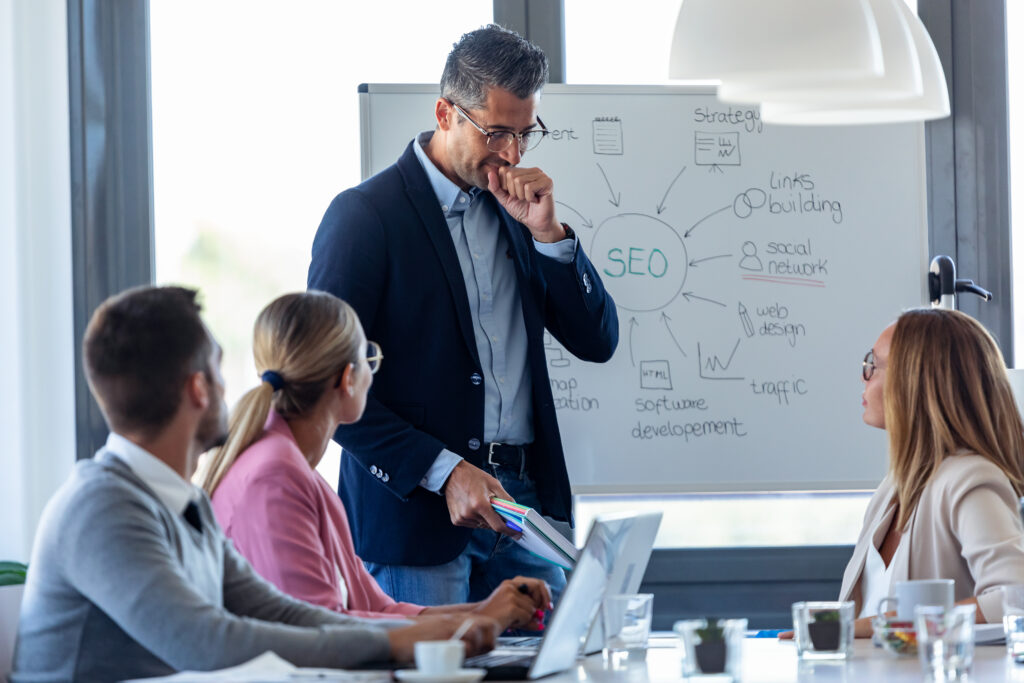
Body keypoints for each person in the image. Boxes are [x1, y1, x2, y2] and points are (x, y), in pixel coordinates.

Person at [11, 286, 497, 682]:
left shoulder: (182, 502)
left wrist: (436, 630)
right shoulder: (101, 507)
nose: (230, 387)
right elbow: (209, 642)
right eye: (218, 369)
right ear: (198, 389)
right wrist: (397, 641)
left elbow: (281, 613)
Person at [307, 24, 618, 607]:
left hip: (524, 507)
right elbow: (323, 388)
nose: (513, 154)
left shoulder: (520, 213)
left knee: (550, 657)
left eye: (525, 134)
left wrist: (550, 235)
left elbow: (597, 341)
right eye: (496, 133)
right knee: (439, 659)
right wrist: (445, 471)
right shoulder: (364, 218)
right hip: (417, 517)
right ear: (445, 113)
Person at [199, 291, 551, 628]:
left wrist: (487, 612)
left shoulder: (292, 469)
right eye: (370, 358)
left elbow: (377, 609)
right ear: (348, 379)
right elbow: (320, 633)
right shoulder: (275, 476)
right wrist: (479, 621)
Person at [839, 308, 1024, 636]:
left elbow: (1015, 598)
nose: (864, 376)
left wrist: (882, 624)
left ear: (912, 382)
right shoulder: (894, 486)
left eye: (873, 365)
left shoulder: (970, 479)